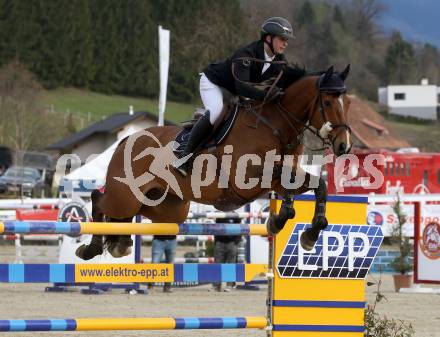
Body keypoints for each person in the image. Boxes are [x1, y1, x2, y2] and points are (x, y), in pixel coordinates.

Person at [176, 17, 297, 176]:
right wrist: (266, 95)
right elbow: (242, 87)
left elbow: (288, 81)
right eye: (282, 39)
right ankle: (185, 155)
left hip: (232, 91)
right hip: (214, 83)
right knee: (215, 112)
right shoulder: (246, 54)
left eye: (287, 40)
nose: (285, 43)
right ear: (268, 38)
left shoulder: (279, 61)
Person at [212, 215, 242, 292]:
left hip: (232, 243)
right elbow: (216, 229)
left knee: (231, 266)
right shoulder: (220, 215)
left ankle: (229, 285)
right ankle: (216, 286)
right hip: (220, 243)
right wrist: (216, 242)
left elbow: (240, 229)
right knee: (217, 265)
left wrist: (236, 242)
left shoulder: (236, 216)